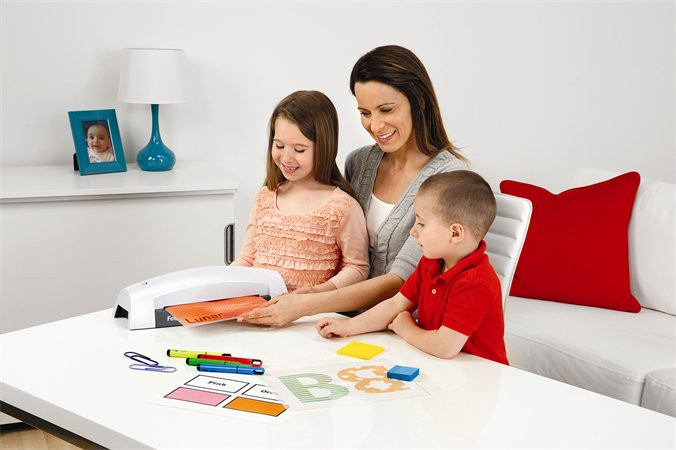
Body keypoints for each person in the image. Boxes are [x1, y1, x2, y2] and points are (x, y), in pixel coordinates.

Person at [239, 45, 467, 326]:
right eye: (365, 112)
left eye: (386, 109)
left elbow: (402, 279)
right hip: (338, 319)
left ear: (418, 101)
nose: (375, 125)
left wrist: (309, 303)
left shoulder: (450, 179)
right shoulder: (359, 162)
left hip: (405, 327)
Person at [317, 171, 507, 365]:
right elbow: (396, 305)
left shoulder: (476, 282)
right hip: (438, 365)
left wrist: (406, 329)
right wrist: (349, 326)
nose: (413, 231)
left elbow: (444, 347)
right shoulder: (431, 263)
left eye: (422, 223)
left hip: (479, 374)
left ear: (455, 233)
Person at [230, 90, 369, 293]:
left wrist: (316, 294)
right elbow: (247, 258)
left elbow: (357, 268)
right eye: (279, 145)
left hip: (309, 310)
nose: (286, 157)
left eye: (299, 149)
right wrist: (221, 283)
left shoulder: (342, 207)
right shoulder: (264, 197)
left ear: (324, 148)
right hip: (260, 305)